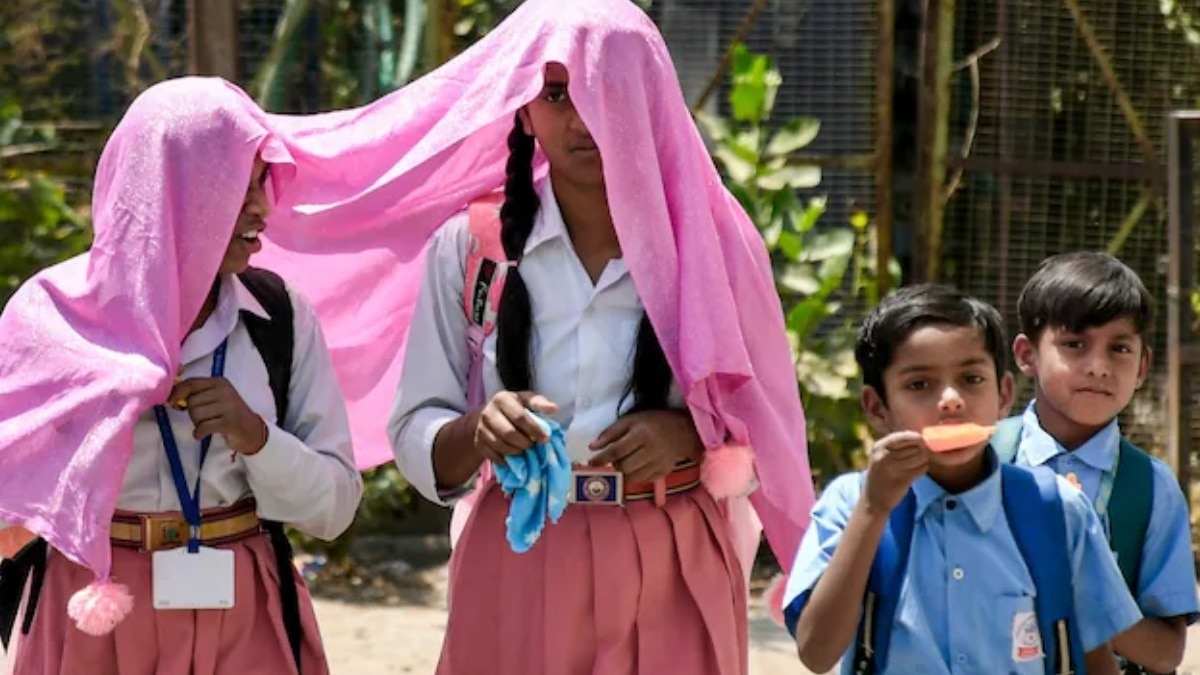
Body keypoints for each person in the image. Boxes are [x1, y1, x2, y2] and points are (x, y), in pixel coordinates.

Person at [248, 0, 814, 672]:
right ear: (521, 109)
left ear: (650, 97)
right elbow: (418, 427)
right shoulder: (470, 248)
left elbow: (766, 413)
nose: (583, 118)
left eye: (608, 90)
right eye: (555, 93)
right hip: (516, 547)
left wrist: (687, 433)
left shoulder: (714, 242)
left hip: (674, 555)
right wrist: (477, 429)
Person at [0, 78, 362, 675]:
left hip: (244, 616)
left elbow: (334, 510)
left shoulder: (279, 317)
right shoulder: (51, 317)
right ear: (165, 191)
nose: (262, 208)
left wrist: (257, 438)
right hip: (93, 620)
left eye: (260, 185)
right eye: (235, 188)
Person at [783, 284, 1140, 674]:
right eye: (919, 384)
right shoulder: (850, 503)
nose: (951, 399)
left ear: (1003, 395)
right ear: (877, 407)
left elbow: (1095, 657)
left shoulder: (1057, 509)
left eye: (971, 379)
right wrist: (873, 510)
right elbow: (816, 653)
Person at [1005, 252, 1198, 673]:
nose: (1098, 367)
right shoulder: (981, 459)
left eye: (1119, 348)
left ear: (1143, 365)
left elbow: (1166, 653)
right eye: (1074, 344)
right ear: (1026, 355)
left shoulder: (1151, 489)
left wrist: (1079, 585)